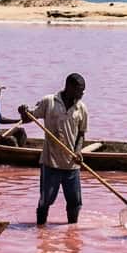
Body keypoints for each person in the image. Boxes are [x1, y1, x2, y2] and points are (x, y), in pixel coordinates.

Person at [19, 73, 89, 226]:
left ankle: (72, 232)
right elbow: (28, 118)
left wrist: (78, 151)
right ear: (69, 87)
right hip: (51, 162)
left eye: (83, 91)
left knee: (75, 202)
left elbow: (82, 133)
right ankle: (40, 231)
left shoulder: (81, 108)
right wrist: (23, 111)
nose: (82, 94)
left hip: (71, 164)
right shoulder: (49, 101)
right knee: (45, 200)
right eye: (79, 90)